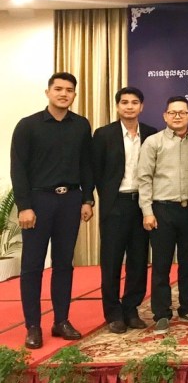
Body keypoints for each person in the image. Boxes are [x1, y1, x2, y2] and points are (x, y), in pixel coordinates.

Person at [11, 72, 94, 349]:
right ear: (48, 92)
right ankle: (33, 326)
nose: (63, 94)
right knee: (32, 266)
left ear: (74, 95)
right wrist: (24, 206)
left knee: (63, 264)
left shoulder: (81, 125)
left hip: (70, 200)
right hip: (39, 201)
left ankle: (61, 320)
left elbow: (86, 165)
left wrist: (87, 199)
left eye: (69, 90)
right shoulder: (28, 125)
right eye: (58, 89)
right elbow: (18, 169)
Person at [91, 86, 158, 334]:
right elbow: (95, 170)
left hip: (142, 204)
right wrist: (98, 198)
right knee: (111, 260)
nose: (129, 106)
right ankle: (113, 313)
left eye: (134, 102)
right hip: (115, 204)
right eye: (125, 102)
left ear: (141, 106)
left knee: (139, 260)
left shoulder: (151, 134)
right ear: (118, 106)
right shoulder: (103, 134)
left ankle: (131, 309)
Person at [137, 96, 188, 334]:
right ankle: (162, 313)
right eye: (173, 112)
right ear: (165, 116)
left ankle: (187, 308)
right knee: (161, 265)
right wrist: (147, 211)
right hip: (161, 210)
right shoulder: (153, 142)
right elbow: (144, 178)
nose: (177, 116)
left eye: (182, 112)